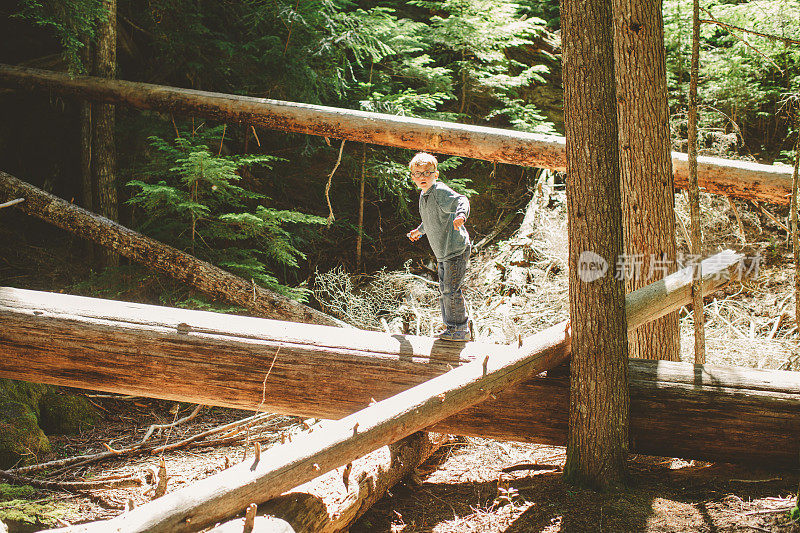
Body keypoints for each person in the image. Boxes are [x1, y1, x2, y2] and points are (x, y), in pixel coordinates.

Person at [406, 152, 473, 341]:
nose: (422, 177)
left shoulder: (439, 191)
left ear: (436, 175)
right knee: (445, 289)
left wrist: (461, 215)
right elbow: (429, 220)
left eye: (427, 173)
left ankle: (459, 329)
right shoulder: (424, 195)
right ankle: (452, 327)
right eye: (418, 174)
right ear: (413, 178)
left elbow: (462, 200)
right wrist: (419, 231)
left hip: (455, 249)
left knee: (451, 290)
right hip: (443, 252)